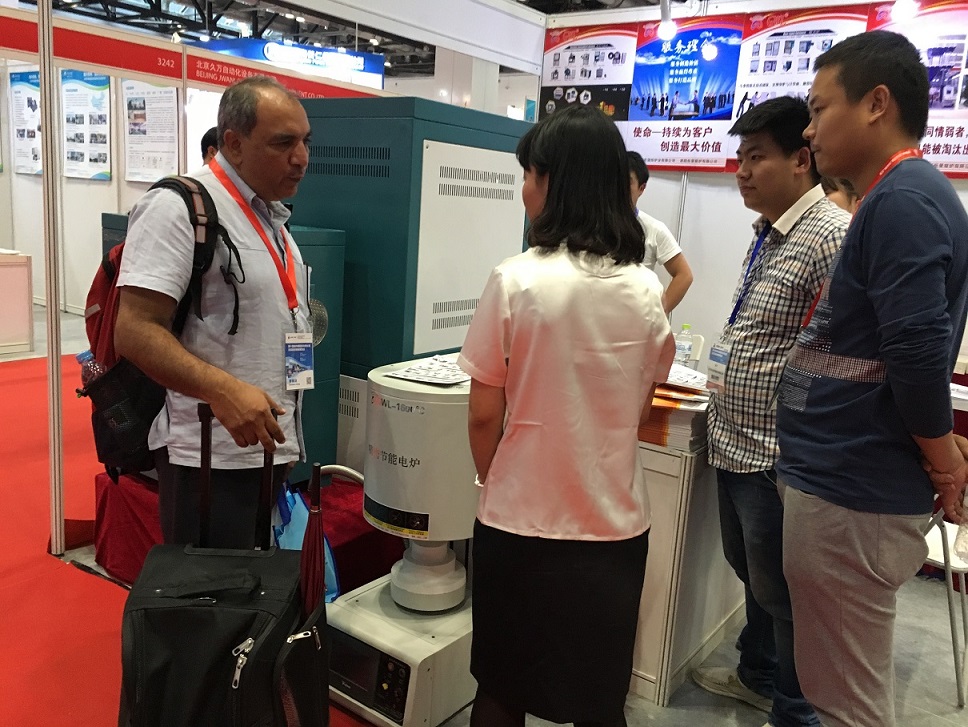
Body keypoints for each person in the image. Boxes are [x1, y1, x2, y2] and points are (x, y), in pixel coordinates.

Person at [457, 105, 675, 727]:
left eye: (529, 174)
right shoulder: (646, 291)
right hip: (612, 526)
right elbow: (641, 402)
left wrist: (492, 476)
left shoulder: (515, 280)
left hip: (517, 519)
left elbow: (483, 414)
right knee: (598, 697)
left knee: (502, 688)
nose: (524, 189)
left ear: (556, 182)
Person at [775, 30, 968, 727]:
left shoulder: (903, 201)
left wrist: (944, 460)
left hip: (851, 489)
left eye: (819, 108)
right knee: (836, 689)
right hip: (844, 482)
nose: (809, 129)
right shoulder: (897, 196)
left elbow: (915, 351)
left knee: (847, 704)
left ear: (876, 104)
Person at [692, 96, 849, 727]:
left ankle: (795, 710)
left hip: (775, 453)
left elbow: (840, 354)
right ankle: (757, 674)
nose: (742, 171)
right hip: (734, 439)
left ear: (802, 160)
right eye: (740, 158)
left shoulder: (829, 236)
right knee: (752, 574)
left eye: (756, 157)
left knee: (784, 593)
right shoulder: (769, 231)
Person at [114, 76, 313, 549]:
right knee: (210, 593)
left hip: (265, 453)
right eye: (283, 143)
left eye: (306, 141)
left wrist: (288, 434)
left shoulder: (272, 218)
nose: (301, 157)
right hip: (207, 459)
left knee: (253, 589)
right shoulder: (178, 207)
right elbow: (135, 329)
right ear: (234, 143)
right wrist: (223, 390)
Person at [627, 151, 693, 313]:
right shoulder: (593, 225)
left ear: (641, 188)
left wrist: (658, 313)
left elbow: (684, 275)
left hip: (635, 318)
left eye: (626, 182)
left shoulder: (653, 228)